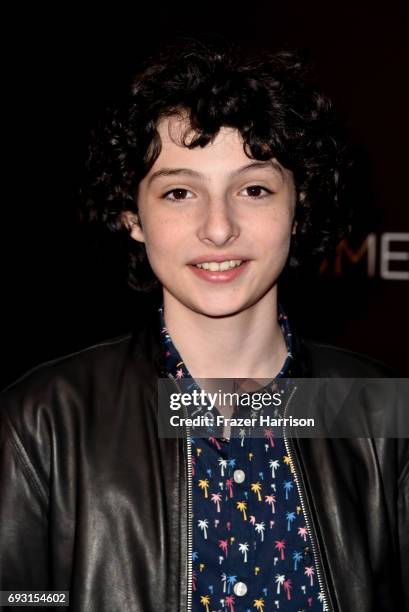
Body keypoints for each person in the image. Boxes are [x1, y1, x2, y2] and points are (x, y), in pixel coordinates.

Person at [0, 39, 407, 612]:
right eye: (180, 192)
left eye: (255, 189)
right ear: (131, 214)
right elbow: (16, 595)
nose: (218, 229)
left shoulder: (377, 413)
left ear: (301, 202)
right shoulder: (45, 419)